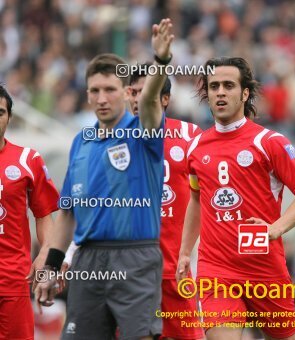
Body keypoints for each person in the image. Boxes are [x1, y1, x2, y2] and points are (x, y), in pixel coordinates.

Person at [34, 18, 174, 339]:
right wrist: (50, 268)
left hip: (135, 257)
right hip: (88, 259)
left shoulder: (142, 132)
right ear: (86, 94)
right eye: (95, 91)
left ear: (126, 93)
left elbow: (151, 100)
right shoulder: (81, 142)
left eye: (110, 90)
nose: (101, 98)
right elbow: (68, 212)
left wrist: (161, 61)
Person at [176, 57, 295, 340]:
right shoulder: (195, 147)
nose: (220, 92)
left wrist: (275, 228)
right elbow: (196, 200)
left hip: (264, 266)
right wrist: (184, 252)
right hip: (217, 268)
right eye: (214, 86)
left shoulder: (270, 143)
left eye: (228, 85)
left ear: (244, 93)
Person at [62, 62, 205, 340]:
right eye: (134, 92)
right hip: (123, 271)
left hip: (175, 271)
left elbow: (208, 192)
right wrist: (68, 253)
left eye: (146, 92)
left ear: (164, 99)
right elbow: (90, 207)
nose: (139, 98)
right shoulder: (106, 140)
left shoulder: (190, 137)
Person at [0, 85, 59, 339]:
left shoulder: (27, 160)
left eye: (0, 112)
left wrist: (47, 254)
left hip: (13, 281)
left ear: (10, 117)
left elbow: (45, 215)